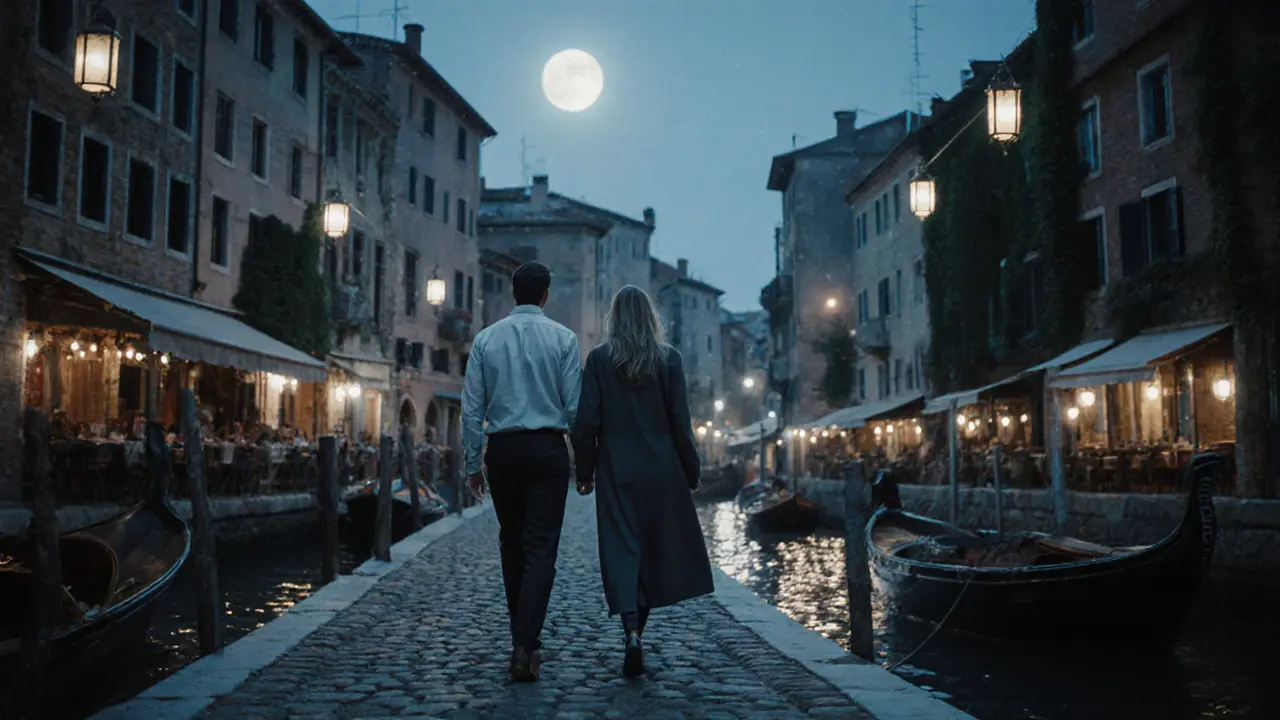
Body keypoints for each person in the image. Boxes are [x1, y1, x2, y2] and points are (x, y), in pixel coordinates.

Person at [570, 285, 715, 678]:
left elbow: (585, 424)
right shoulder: (669, 360)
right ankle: (638, 633)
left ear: (614, 318)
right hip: (661, 467)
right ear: (650, 317)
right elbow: (681, 423)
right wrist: (692, 470)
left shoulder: (600, 360)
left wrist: (584, 472)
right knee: (653, 553)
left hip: (617, 466)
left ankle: (631, 631)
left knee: (622, 549)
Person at [461, 261, 582, 682]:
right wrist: (584, 463)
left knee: (511, 543)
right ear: (546, 295)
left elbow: (472, 408)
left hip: (504, 452)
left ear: (514, 294)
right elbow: (574, 409)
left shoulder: (485, 340)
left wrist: (472, 463)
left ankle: (523, 641)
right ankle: (525, 643)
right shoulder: (564, 339)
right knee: (540, 548)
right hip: (547, 450)